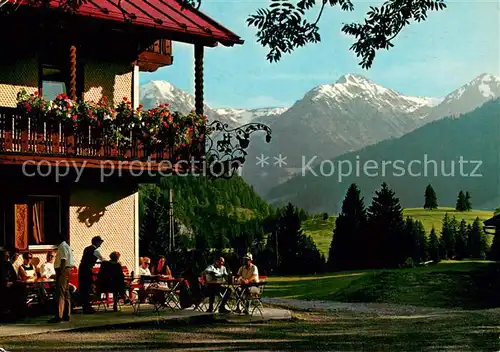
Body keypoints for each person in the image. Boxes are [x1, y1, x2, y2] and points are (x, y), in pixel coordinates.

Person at [49, 233, 75, 323]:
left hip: (63, 270)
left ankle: (59, 316)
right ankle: (66, 314)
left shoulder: (62, 246)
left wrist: (60, 272)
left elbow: (63, 260)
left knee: (60, 293)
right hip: (67, 270)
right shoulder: (66, 246)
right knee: (66, 293)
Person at [79, 235, 105, 314]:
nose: (101, 244)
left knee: (84, 288)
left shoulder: (86, 248)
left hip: (82, 269)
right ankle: (87, 308)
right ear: (97, 242)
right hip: (87, 270)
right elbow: (103, 260)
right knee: (87, 287)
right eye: (100, 242)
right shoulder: (95, 250)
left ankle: (85, 306)